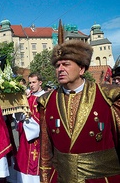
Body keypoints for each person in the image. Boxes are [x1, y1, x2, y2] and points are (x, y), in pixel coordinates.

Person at [38, 40, 120, 182]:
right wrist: (45, 178)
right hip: (62, 178)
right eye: (57, 65)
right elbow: (45, 151)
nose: (60, 69)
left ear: (82, 69)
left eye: (66, 64)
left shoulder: (108, 96)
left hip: (102, 178)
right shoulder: (47, 101)